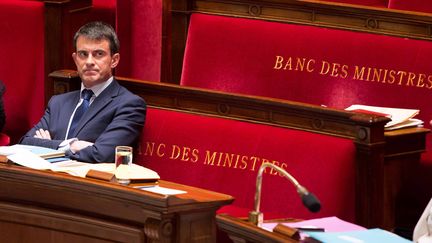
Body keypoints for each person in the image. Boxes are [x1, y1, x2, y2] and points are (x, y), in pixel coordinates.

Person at [20, 21, 146, 163]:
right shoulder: (58, 102)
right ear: (75, 59)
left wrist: (47, 146)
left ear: (114, 60)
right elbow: (25, 143)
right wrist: (71, 145)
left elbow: (101, 155)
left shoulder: (129, 105)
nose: (89, 61)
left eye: (99, 54)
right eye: (83, 54)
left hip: (91, 183)